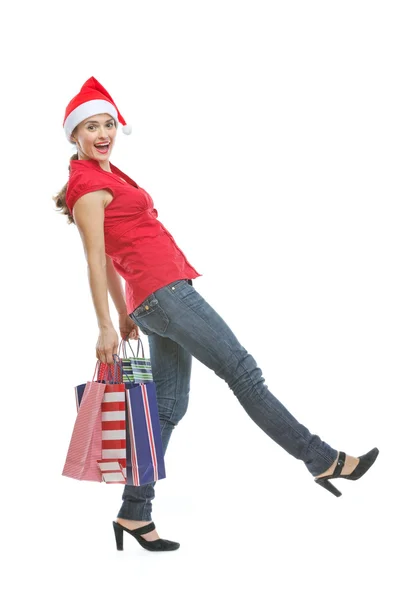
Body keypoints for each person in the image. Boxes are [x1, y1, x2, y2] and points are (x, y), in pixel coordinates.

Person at [53, 76, 379, 553]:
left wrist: (127, 312)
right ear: (74, 135)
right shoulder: (86, 186)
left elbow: (120, 251)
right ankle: (321, 458)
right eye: (90, 127)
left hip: (155, 297)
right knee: (244, 374)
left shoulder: (107, 175)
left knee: (167, 406)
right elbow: (95, 259)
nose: (103, 134)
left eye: (108, 124)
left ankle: (134, 512)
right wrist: (106, 322)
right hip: (164, 297)